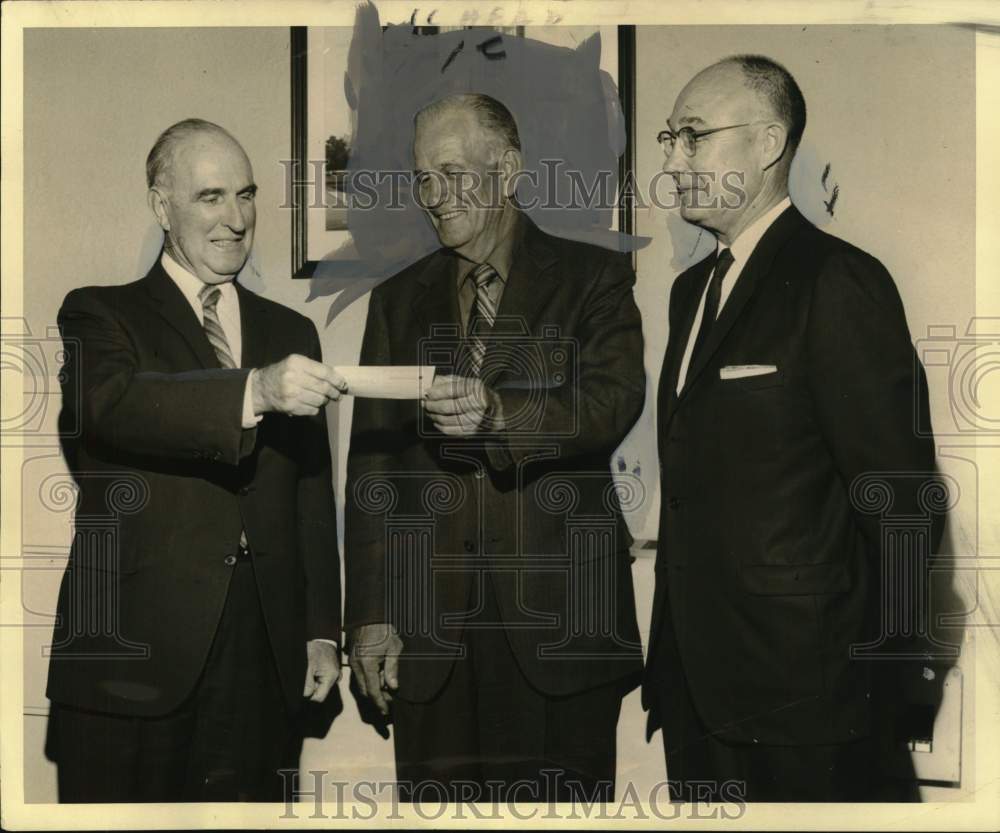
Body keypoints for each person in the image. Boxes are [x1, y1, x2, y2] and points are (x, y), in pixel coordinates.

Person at [642, 55, 943, 802]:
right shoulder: (690, 292)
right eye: (669, 138)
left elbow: (901, 501)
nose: (673, 159)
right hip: (698, 698)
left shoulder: (836, 281)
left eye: (693, 136)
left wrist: (886, 682)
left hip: (812, 706)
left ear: (769, 143)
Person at [345, 93, 646, 802]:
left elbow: (609, 403)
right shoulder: (395, 301)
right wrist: (370, 612)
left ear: (507, 169)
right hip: (429, 643)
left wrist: (499, 414)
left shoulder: (594, 279)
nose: (432, 197)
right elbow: (373, 471)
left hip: (560, 633)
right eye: (422, 178)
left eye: (451, 173)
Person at [46, 118, 346, 802]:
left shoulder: (290, 330)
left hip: (263, 658)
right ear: (162, 205)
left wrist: (323, 632)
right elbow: (111, 404)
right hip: (131, 657)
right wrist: (255, 389)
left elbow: (309, 493)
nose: (236, 219)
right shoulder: (100, 315)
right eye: (211, 197)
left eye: (245, 195)